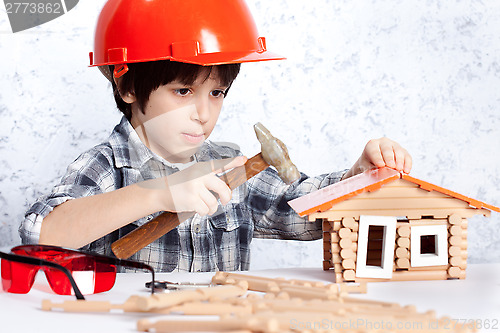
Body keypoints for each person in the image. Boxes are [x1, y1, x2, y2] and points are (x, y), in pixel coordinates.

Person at [19, 0, 412, 272]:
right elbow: (42, 234)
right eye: (183, 91)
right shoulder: (108, 166)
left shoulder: (230, 167)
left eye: (217, 93)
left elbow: (306, 215)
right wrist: (158, 193)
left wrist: (358, 179)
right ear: (128, 89)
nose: (205, 114)